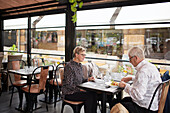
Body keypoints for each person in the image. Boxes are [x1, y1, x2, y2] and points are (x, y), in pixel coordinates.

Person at [111, 46, 162, 113]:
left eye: (130, 59)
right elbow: (147, 81)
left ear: (135, 58)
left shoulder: (143, 71)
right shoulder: (150, 66)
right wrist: (131, 78)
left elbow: (138, 96)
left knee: (116, 105)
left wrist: (125, 86)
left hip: (145, 108)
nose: (129, 61)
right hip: (152, 105)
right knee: (122, 100)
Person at [61, 46, 97, 113]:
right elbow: (69, 85)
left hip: (77, 91)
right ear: (76, 55)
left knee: (94, 94)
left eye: (85, 55)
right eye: (82, 55)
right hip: (69, 93)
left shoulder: (80, 65)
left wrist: (88, 79)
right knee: (89, 96)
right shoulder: (69, 66)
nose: (84, 57)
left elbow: (80, 80)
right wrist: (80, 89)